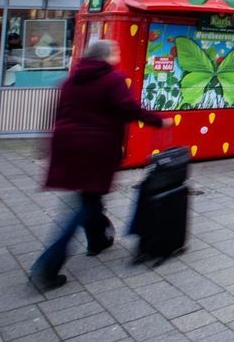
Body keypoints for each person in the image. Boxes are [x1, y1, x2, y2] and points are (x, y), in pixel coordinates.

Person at [30, 39, 171, 291]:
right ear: (106, 56)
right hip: (95, 150)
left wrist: (45, 145)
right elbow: (129, 109)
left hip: (68, 147)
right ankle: (48, 265)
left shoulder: (71, 80)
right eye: (115, 50)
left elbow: (57, 113)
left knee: (89, 200)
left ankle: (97, 240)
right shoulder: (112, 79)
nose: (117, 53)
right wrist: (159, 121)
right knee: (82, 207)